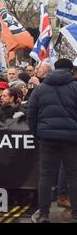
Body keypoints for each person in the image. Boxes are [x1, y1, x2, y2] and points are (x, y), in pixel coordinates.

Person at [27, 59, 77, 223]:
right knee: (74, 176)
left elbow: (31, 114)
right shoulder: (75, 87)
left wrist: (38, 134)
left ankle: (44, 215)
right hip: (71, 138)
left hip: (47, 138)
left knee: (46, 176)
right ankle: (75, 214)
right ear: (71, 71)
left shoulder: (40, 89)